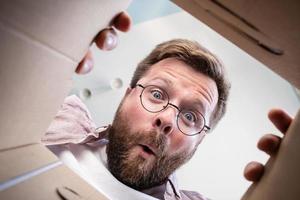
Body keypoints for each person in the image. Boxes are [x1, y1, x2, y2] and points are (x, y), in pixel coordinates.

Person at [42, 12, 293, 200]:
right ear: (127, 96)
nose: (168, 119)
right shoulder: (55, 116)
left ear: (200, 141)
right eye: (157, 94)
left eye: (191, 116)